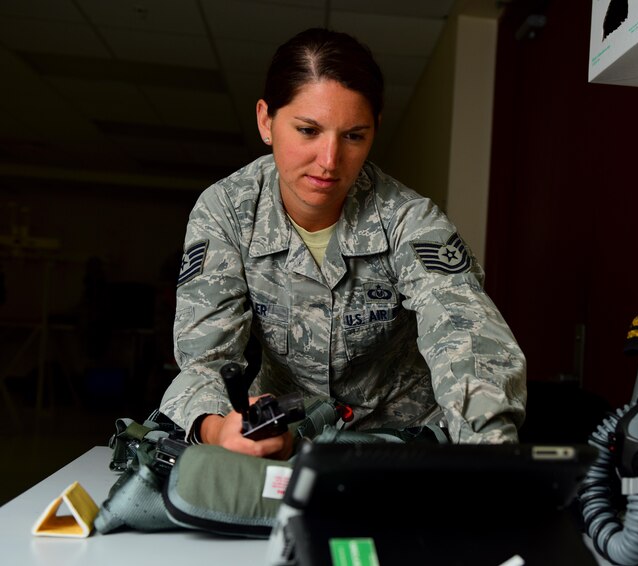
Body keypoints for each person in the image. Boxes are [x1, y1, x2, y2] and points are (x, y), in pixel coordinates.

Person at [159, 28, 527, 459]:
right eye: (308, 130)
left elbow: (466, 335)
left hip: (402, 444)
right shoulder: (226, 211)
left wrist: (489, 457)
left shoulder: (409, 219)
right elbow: (205, 359)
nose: (330, 161)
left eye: (354, 136)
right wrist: (219, 428)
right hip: (283, 440)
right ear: (266, 120)